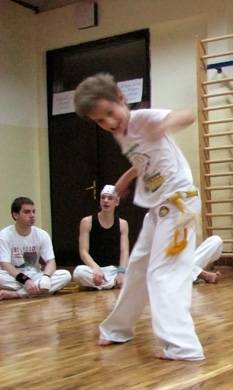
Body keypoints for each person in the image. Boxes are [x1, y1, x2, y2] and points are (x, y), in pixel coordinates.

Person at [74, 72, 204, 361]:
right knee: (137, 269)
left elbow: (186, 116)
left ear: (121, 98)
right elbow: (143, 160)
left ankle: (183, 346)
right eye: (100, 121)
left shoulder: (141, 119)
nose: (109, 123)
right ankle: (117, 329)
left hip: (180, 206)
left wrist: (164, 126)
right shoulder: (120, 133)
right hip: (158, 209)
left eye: (110, 113)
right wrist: (124, 181)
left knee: (164, 273)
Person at [0, 197, 71, 300]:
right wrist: (26, 281)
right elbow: (5, 264)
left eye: (33, 212)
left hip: (35, 275)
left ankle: (16, 294)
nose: (32, 215)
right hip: (13, 277)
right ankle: (40, 289)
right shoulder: (4, 235)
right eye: (27, 212)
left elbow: (51, 262)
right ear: (16, 215)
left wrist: (46, 278)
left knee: (65, 275)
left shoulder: (42, 235)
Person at [73, 185, 129, 290]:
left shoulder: (123, 224)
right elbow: (83, 251)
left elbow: (124, 251)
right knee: (78, 272)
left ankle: (107, 282)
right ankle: (112, 283)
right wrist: (95, 267)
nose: (106, 201)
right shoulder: (87, 221)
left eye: (110, 198)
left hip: (114, 270)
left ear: (117, 202)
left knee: (137, 271)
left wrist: (121, 272)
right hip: (93, 269)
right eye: (103, 197)